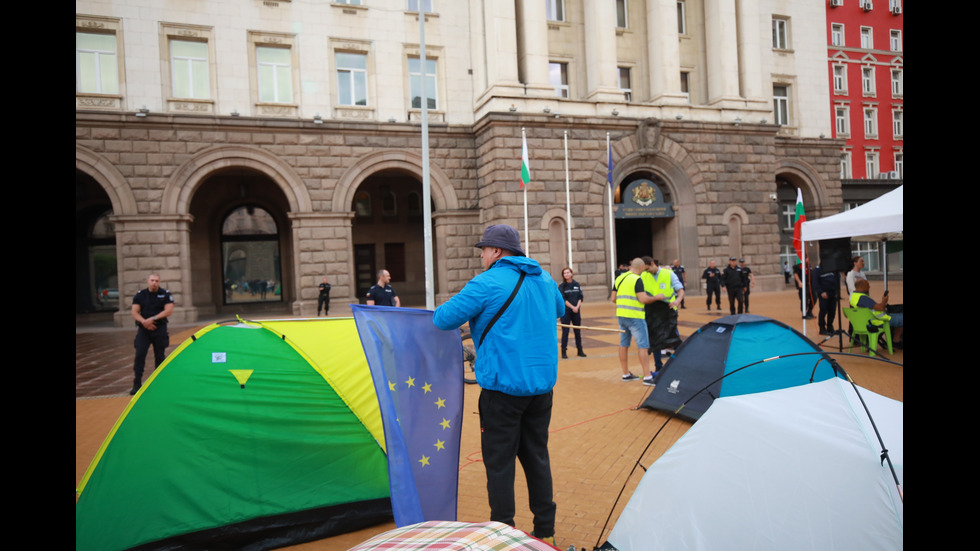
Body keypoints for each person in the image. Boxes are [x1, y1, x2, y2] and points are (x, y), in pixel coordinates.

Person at [433, 224, 564, 545]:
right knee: (537, 456)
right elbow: (559, 310)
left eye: (483, 250)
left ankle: (503, 532)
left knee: (499, 462)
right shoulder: (545, 278)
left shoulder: (487, 281)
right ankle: (545, 529)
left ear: (496, 251)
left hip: (502, 390)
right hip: (541, 389)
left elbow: (443, 318)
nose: (481, 255)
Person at [642, 257, 685, 385]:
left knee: (674, 340)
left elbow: (680, 290)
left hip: (668, 311)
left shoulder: (668, 273)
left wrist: (677, 301)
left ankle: (679, 366)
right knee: (655, 340)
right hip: (653, 312)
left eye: (648, 268)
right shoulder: (644, 275)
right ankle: (658, 367)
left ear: (653, 264)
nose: (647, 271)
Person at [611, 258, 654, 382]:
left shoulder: (619, 278)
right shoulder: (637, 279)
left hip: (621, 315)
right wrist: (657, 297)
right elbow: (643, 299)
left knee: (623, 344)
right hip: (635, 316)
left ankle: (625, 374)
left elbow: (613, 298)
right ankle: (647, 376)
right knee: (643, 346)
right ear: (641, 267)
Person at [130, 273, 174, 395]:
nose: (154, 283)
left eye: (156, 280)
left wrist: (153, 318)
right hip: (144, 330)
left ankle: (159, 383)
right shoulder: (141, 295)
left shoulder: (165, 294)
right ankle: (137, 383)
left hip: (159, 328)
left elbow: (169, 310)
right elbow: (134, 312)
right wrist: (145, 322)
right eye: (152, 280)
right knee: (140, 355)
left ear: (159, 281)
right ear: (147, 281)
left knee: (160, 356)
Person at [850, 279, 903, 347]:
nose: (869, 287)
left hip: (866, 322)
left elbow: (875, 308)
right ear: (861, 286)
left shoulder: (854, 297)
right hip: (878, 321)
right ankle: (896, 340)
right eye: (867, 285)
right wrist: (884, 300)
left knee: (899, 316)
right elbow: (881, 308)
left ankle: (896, 340)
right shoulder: (863, 298)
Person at [558, 267, 586, 359]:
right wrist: (572, 307)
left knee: (577, 331)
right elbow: (563, 299)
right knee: (565, 332)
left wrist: (577, 307)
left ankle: (580, 350)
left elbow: (580, 297)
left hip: (576, 311)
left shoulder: (577, 284)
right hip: (566, 312)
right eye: (564, 273)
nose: (566, 274)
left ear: (571, 273)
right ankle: (564, 351)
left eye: (568, 272)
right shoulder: (562, 286)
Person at [814, 264, 840, 335]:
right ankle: (822, 328)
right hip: (824, 294)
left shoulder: (833, 268)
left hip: (833, 293)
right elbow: (815, 282)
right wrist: (821, 292)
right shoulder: (817, 269)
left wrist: (837, 291)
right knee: (823, 311)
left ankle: (830, 327)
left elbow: (837, 280)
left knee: (832, 311)